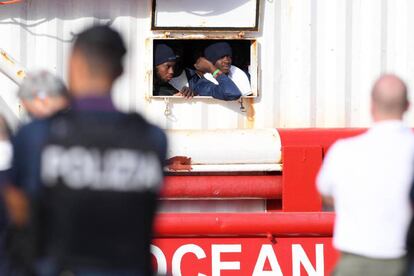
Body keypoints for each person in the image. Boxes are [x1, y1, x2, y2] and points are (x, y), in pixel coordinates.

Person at [5, 25, 167, 276]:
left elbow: (19, 214)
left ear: (74, 63)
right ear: (121, 71)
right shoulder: (151, 139)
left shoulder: (37, 136)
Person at [317, 74, 414, 276]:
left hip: (355, 263)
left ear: (372, 106)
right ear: (407, 106)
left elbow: (326, 194)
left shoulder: (343, 151)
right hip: (404, 260)